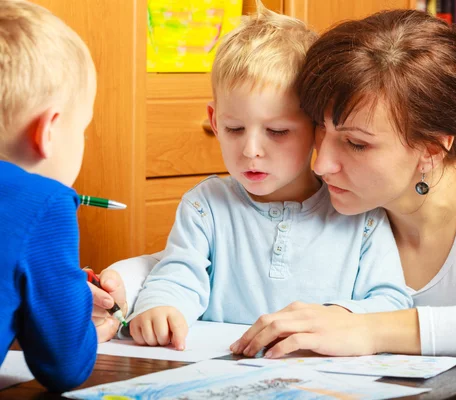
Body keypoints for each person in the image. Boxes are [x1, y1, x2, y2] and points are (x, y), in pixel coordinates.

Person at [94, 9, 456, 399]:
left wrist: (370, 328)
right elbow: (224, 246)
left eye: (356, 144)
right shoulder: (351, 202)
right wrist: (126, 283)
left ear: (431, 147)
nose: (320, 163)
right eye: (323, 131)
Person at [124, 5, 412, 350]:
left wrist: (336, 317)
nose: (251, 150)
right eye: (234, 128)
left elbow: (392, 303)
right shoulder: (206, 206)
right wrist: (162, 306)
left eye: (277, 131)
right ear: (215, 122)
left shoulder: (360, 216)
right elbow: (179, 273)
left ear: (316, 126)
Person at [0, 0, 98, 392]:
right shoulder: (45, 202)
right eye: (84, 129)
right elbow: (64, 366)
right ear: (50, 130)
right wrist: (79, 310)